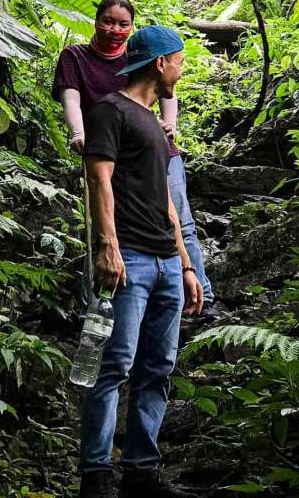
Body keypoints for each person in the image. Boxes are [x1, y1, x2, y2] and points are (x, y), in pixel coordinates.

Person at [79, 25, 202, 498]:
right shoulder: (110, 110)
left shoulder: (156, 123)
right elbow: (99, 178)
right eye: (179, 60)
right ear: (159, 63)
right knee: (114, 365)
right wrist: (107, 246)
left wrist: (187, 264)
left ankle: (141, 472)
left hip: (167, 261)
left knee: (158, 366)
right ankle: (95, 475)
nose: (181, 69)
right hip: (128, 257)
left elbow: (169, 200)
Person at [52, 0, 217, 320]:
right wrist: (78, 133)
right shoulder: (77, 57)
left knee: (179, 222)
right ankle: (109, 300)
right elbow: (71, 97)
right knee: (110, 226)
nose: (115, 29)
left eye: (123, 23)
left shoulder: (140, 56)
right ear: (96, 20)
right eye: (108, 21)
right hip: (108, 152)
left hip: (155, 151)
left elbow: (165, 89)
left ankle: (199, 296)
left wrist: (169, 126)